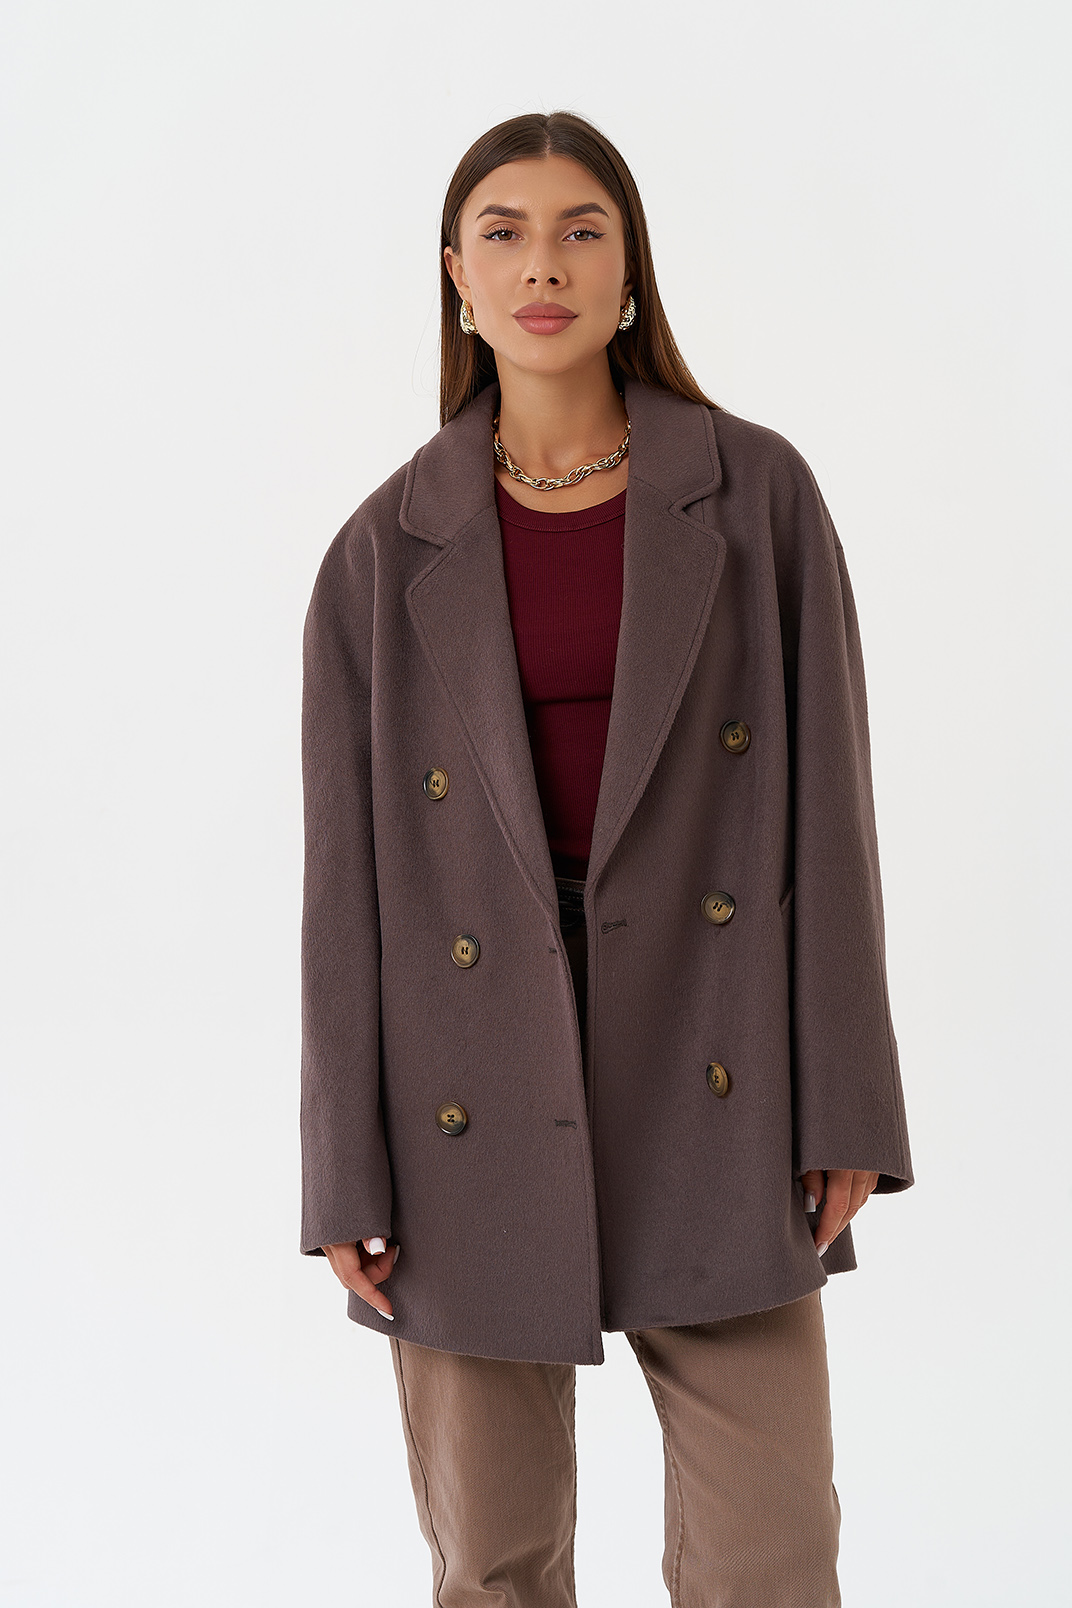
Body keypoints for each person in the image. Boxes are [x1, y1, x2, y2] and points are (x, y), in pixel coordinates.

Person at [299, 110, 913, 1607]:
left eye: (582, 231)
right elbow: (342, 894)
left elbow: (833, 814)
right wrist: (341, 1167)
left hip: (711, 1050)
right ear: (456, 275)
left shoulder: (757, 496)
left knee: (774, 1549)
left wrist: (845, 1100)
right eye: (503, 234)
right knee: (494, 1561)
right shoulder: (380, 552)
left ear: (632, 270)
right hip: (466, 1084)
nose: (543, 267)